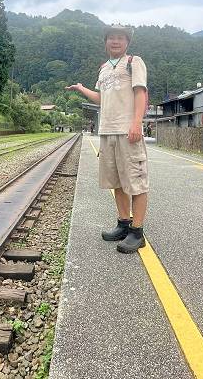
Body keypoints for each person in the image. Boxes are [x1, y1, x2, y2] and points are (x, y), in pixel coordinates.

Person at [66, 24, 149, 253]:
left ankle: (137, 231)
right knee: (117, 182)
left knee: (136, 181)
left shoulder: (134, 62)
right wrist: (82, 88)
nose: (115, 41)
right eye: (111, 37)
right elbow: (101, 99)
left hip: (127, 131)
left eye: (120, 38)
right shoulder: (103, 69)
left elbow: (140, 93)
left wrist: (136, 123)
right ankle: (123, 224)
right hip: (107, 131)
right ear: (106, 41)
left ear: (127, 42)